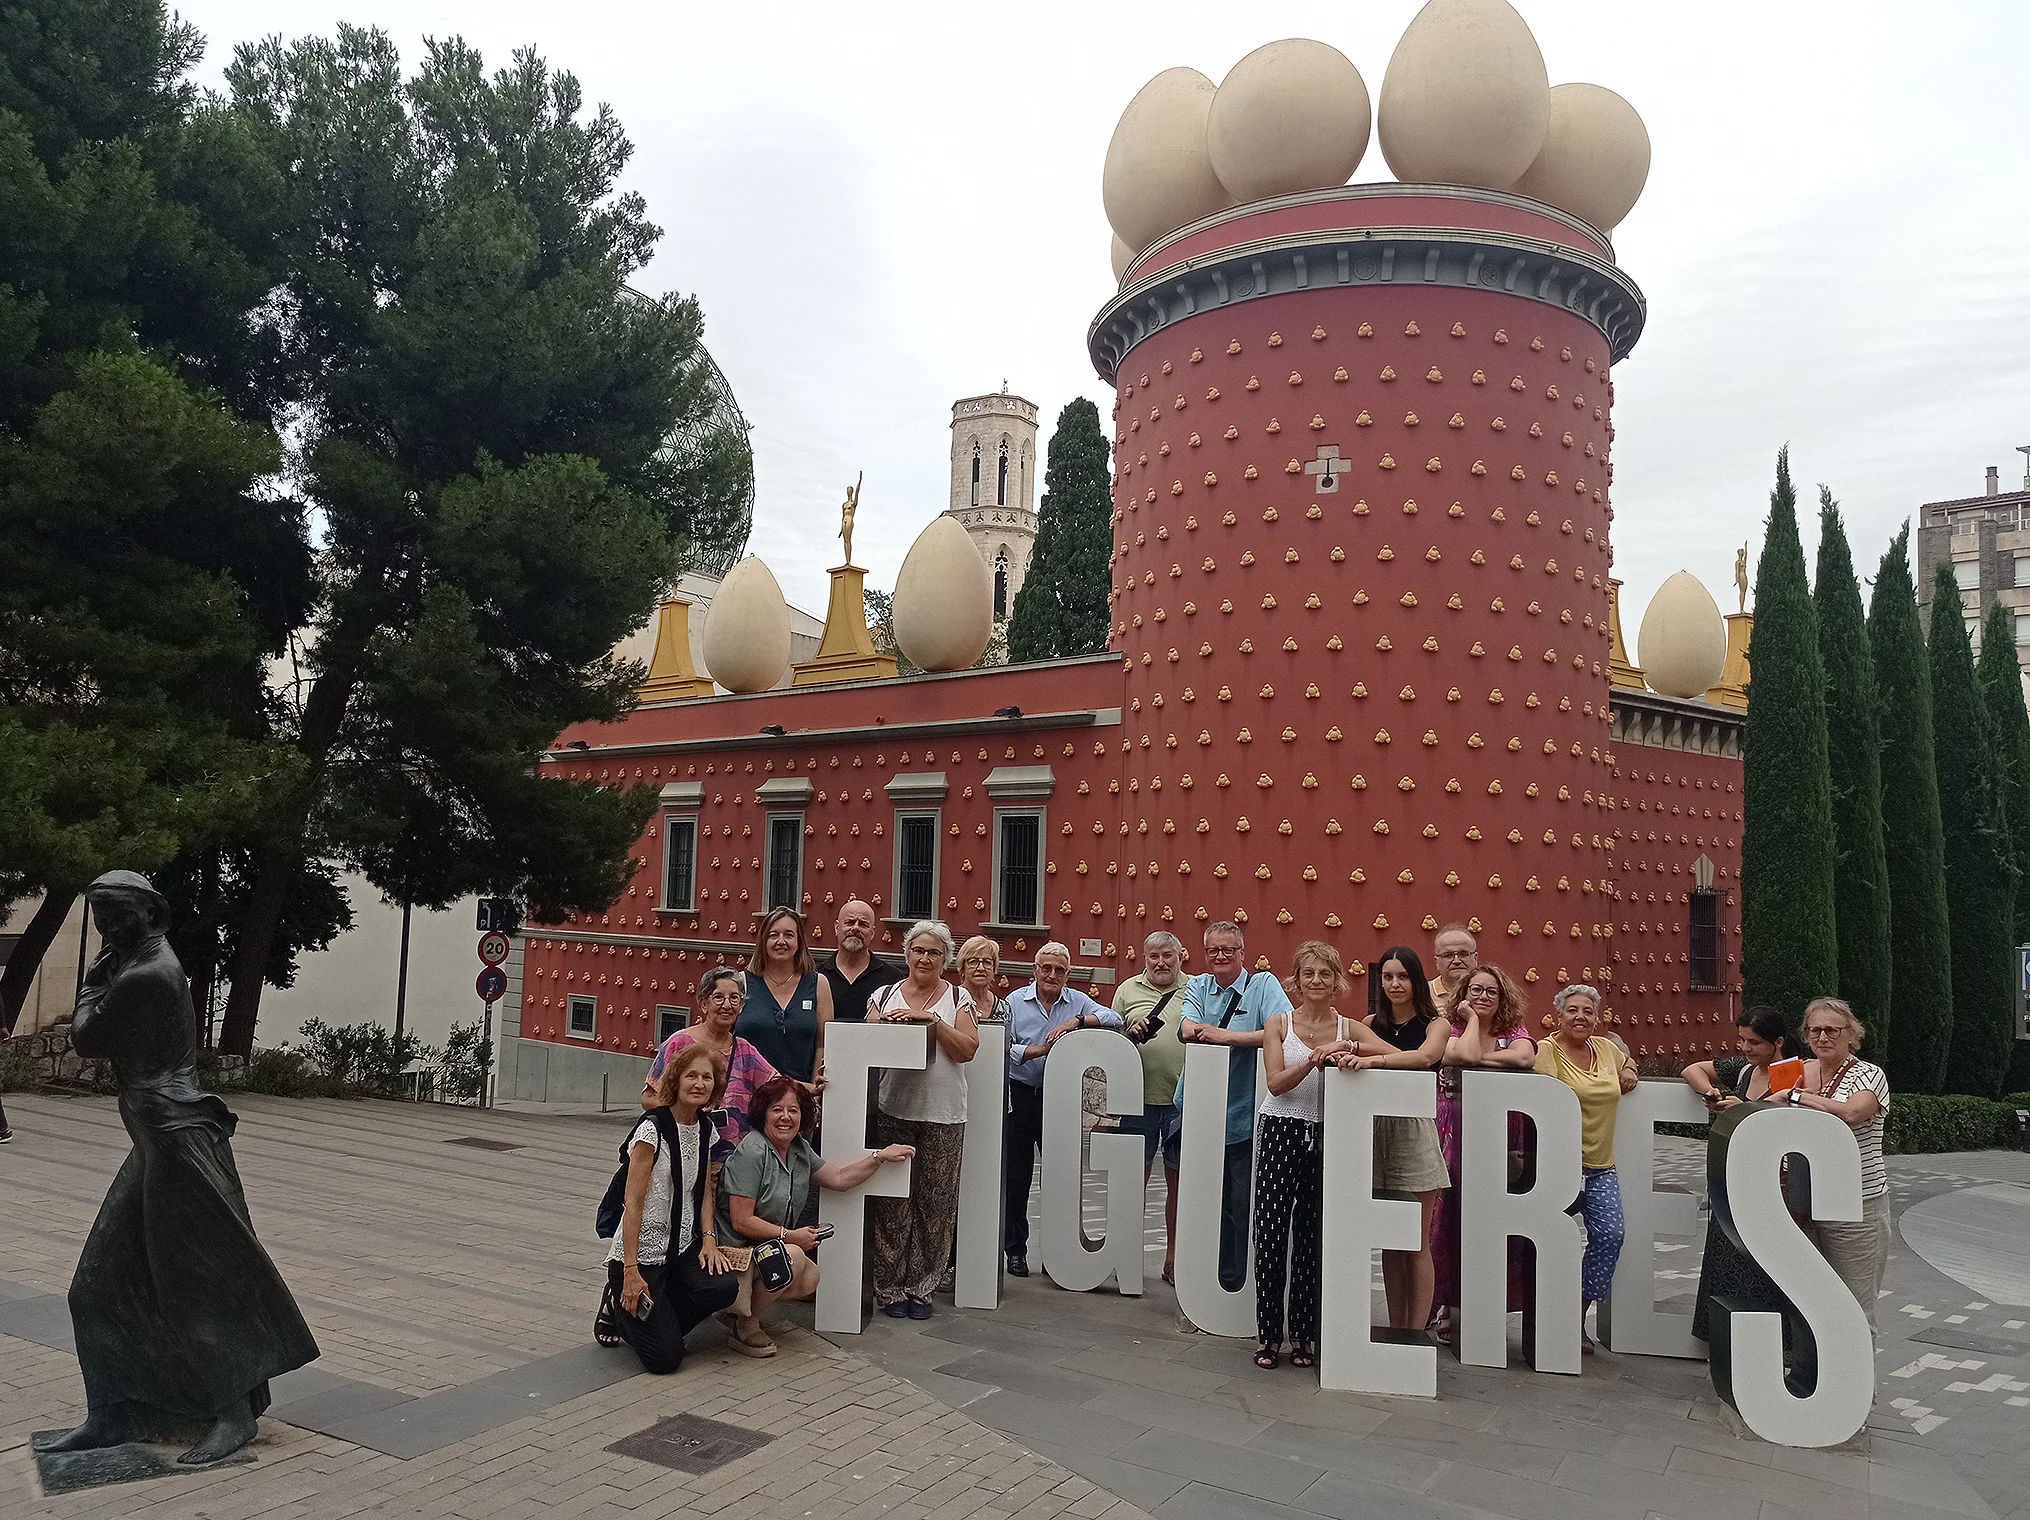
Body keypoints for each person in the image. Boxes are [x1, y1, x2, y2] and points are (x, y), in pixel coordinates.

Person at [33, 872, 317, 1466]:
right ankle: (114, 1413)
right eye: (100, 917)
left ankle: (234, 1415)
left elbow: (87, 1039)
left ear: (152, 915)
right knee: (97, 1286)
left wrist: (92, 983)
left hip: (177, 1137)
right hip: (154, 1138)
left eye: (118, 916)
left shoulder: (149, 974)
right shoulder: (134, 963)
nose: (108, 928)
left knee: (198, 1280)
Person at [717, 1075, 913, 1356]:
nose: (786, 1117)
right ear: (763, 1114)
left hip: (765, 1248)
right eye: (777, 1109)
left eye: (793, 1110)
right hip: (735, 1252)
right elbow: (741, 1220)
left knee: (809, 1278)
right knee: (794, 1257)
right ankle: (746, 1324)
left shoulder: (798, 1148)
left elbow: (839, 1178)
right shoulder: (752, 1152)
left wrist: (879, 1157)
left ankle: (738, 1308)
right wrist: (789, 1236)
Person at [1253, 942, 1361, 1369]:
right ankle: (1268, 1334)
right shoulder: (1278, 1023)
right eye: (1308, 974)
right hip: (1280, 1128)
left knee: (1312, 1236)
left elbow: (1401, 1055)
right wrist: (1315, 1059)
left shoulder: (1349, 1027)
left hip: (1326, 1133)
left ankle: (1303, 1334)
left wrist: (1356, 1054)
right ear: (1296, 981)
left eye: (1325, 974)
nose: (1317, 980)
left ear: (1337, 982)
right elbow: (1276, 1083)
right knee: (1270, 1232)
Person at [601, 1044, 738, 1373]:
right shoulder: (653, 1129)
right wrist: (631, 1271)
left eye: (707, 1077)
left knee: (722, 1287)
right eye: (691, 1076)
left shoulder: (705, 1128)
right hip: (642, 1254)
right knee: (665, 1361)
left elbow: (703, 1191)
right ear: (675, 1081)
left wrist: (709, 1240)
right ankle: (617, 1308)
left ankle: (660, 1323)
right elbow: (633, 1205)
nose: (699, 1084)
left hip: (681, 1248)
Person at [866, 921, 979, 1318]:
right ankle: (889, 1287)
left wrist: (932, 1021)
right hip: (894, 1109)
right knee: (891, 1203)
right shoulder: (884, 995)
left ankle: (922, 1287)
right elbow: (868, 1039)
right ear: (907, 954)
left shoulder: (959, 997)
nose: (925, 958)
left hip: (943, 1114)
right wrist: (891, 1024)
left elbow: (968, 1049)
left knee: (936, 1205)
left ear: (945, 959)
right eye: (919, 950)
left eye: (934, 952)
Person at [1344, 945, 1452, 1334]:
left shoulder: (1435, 1024)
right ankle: (1396, 1327)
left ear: (1416, 980)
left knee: (1415, 1241)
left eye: (1402, 976)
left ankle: (1415, 1332)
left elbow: (1424, 1058)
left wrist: (1374, 1059)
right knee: (1390, 1239)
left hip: (1414, 1131)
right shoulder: (1370, 1022)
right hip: (1373, 1130)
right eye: (1387, 977)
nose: (1394, 984)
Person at [1180, 920, 1291, 1293]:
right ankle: (1200, 1280)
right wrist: (1236, 1036)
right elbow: (1187, 1028)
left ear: (1243, 953)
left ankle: (1236, 1280)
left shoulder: (1264, 985)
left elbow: (1283, 1032)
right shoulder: (1198, 985)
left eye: (1228, 949)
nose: (1220, 956)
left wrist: (1224, 1035)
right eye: (1213, 950)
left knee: (1241, 1202)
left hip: (1245, 1114)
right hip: (1199, 1112)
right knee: (1201, 1201)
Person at [1430, 964, 1537, 1343]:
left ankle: (1492, 1299)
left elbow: (1524, 1058)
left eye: (1491, 991)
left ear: (1503, 996)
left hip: (1502, 1133)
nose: (1483, 997)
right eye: (1475, 990)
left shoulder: (1514, 1030)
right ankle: (1445, 1303)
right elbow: (1463, 1052)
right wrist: (1473, 1022)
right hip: (1455, 1130)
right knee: (1450, 1215)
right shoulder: (1449, 1029)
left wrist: (1477, 1059)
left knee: (1497, 1217)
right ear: (1463, 995)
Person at [1002, 942, 1122, 1277]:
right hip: (1020, 1096)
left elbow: (1115, 1018)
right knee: (1016, 1179)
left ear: (1067, 974)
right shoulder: (1014, 1002)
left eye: (1059, 970)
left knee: (1061, 1179)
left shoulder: (1077, 1002)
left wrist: (1078, 1021)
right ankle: (1016, 1251)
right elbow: (1005, 1045)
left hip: (1059, 1099)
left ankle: (1057, 1254)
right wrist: (1039, 1051)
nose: (1052, 975)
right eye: (1046, 968)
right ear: (1035, 970)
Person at [1685, 1006, 1802, 1344]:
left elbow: (1787, 1118)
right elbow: (1693, 1069)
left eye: (1755, 1042)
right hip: (1735, 1173)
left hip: (1772, 1179)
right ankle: (1721, 1335)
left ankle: (1766, 1340)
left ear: (1778, 1042)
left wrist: (1744, 1108)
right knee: (1725, 1253)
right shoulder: (1744, 1069)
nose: (1746, 1048)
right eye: (1743, 1040)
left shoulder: (1791, 1073)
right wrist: (1710, 1092)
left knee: (1761, 1259)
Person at [1534, 982, 1637, 1352]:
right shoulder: (1547, 1050)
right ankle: (1540, 1318)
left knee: (1610, 1236)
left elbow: (1625, 1059)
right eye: (1572, 1010)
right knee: (1543, 1244)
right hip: (1555, 1168)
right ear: (1558, 1015)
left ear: (1597, 1019)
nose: (1580, 1017)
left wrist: (1631, 1068)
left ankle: (1575, 1318)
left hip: (1599, 1167)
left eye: (1588, 1012)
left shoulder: (1606, 1048)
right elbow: (1544, 1097)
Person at [1788, 996, 1892, 1328]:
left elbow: (1851, 1112)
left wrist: (1798, 1096)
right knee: (1808, 1307)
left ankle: (1861, 1365)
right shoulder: (1799, 1072)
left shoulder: (1868, 1074)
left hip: (1856, 1206)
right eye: (1814, 1030)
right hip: (1803, 1201)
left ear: (1851, 1034)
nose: (1823, 1037)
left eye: (1832, 1030)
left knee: (1855, 1310)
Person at [1112, 931, 1191, 1284]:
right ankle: (1125, 1255)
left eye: (1167, 956)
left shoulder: (1197, 988)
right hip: (1136, 1100)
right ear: (1144, 958)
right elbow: (1111, 1038)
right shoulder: (1127, 990)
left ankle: (1173, 1259)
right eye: (1154, 956)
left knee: (1179, 1185)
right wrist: (1130, 1032)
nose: (1161, 963)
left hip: (1182, 1101)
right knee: (1132, 1182)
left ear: (1180, 956)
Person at [641, 967, 779, 1159]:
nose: (727, 1005)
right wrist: (686, 1108)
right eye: (718, 997)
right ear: (704, 1003)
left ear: (741, 1006)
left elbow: (778, 1085)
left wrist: (814, 1087)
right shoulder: (679, 1043)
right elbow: (648, 1099)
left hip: (734, 1161)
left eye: (734, 998)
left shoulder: (745, 1051)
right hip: (682, 1154)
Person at [738, 907, 834, 1086]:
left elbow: (823, 1045)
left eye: (789, 935)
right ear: (763, 941)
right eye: (773, 935)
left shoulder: (819, 984)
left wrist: (814, 1092)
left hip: (800, 1095)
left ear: (799, 942)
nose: (781, 941)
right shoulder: (742, 983)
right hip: (748, 1094)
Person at [822, 898, 903, 1023]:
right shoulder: (817, 977)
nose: (855, 928)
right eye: (849, 922)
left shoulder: (893, 979)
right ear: (837, 928)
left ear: (873, 933)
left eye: (863, 924)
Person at [1430, 923, 1479, 1020]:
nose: (1457, 961)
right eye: (1448, 955)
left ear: (1475, 958)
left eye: (1463, 954)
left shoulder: (1489, 993)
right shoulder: (1423, 994)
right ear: (1437, 962)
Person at [957, 936, 1010, 1023]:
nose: (981, 968)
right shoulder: (950, 1001)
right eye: (973, 962)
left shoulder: (1003, 1008)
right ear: (962, 968)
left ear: (994, 969)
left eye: (987, 962)